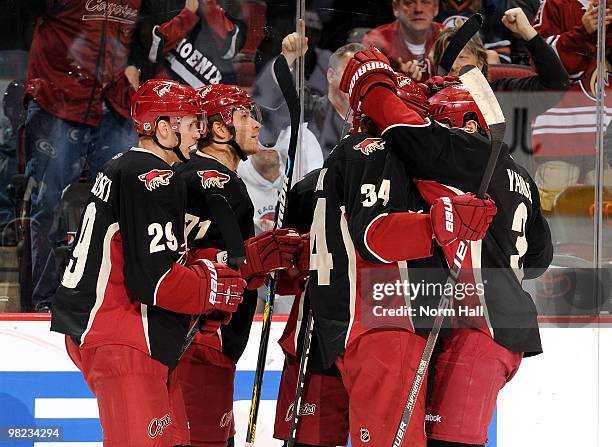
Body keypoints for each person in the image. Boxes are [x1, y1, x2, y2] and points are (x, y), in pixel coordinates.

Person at [303, 48, 498, 446]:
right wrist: (441, 221)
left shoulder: (334, 162)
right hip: (385, 322)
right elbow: (377, 234)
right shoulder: (374, 150)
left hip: (351, 323)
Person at [50, 79, 247, 447]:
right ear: (161, 129)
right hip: (125, 337)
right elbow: (154, 281)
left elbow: (145, 255)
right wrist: (211, 289)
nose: (198, 134)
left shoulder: (120, 166)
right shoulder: (154, 177)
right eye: (190, 125)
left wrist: (208, 264)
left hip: (117, 334)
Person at [421, 84, 554, 447]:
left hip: (482, 328)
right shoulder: (524, 178)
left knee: (448, 443)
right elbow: (539, 259)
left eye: (439, 127)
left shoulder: (468, 160)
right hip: (502, 325)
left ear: (466, 127)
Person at [174, 83, 302, 447]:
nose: (257, 126)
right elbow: (193, 260)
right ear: (219, 128)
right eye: (245, 116)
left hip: (199, 342)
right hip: (202, 340)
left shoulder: (204, 177)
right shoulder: (214, 182)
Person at [25, 0, 142, 312]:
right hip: (59, 104)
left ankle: (112, 299)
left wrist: (136, 64)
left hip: (113, 105)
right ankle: (46, 302)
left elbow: (144, 32)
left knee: (124, 205)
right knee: (49, 204)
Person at [532, 0, 612, 209]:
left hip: (606, 141)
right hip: (560, 138)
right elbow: (544, 63)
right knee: (549, 215)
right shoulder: (555, 4)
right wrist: (582, 31)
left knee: (607, 222)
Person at [253, 24, 363, 160]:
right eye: (348, 72)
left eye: (361, 74)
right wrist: (287, 57)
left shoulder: (377, 119)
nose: (354, 79)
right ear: (330, 75)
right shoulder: (309, 109)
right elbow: (270, 100)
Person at [130, 0, 247, 88]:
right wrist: (187, 16)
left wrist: (209, 6)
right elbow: (150, 51)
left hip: (215, 93)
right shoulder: (153, 3)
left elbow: (231, 49)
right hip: (169, 96)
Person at [362, 0, 444, 81]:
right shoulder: (376, 42)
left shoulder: (448, 38)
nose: (418, 9)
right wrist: (400, 80)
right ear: (396, 7)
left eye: (425, 2)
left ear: (436, 7)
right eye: (409, 3)